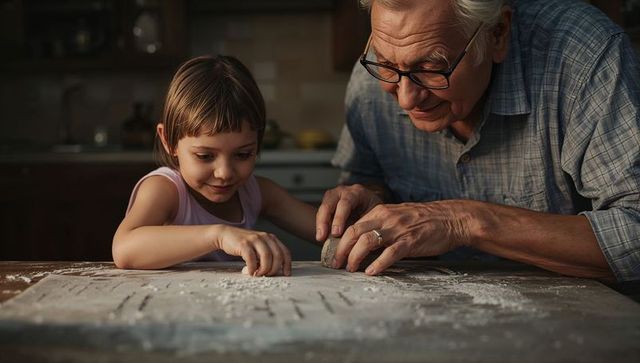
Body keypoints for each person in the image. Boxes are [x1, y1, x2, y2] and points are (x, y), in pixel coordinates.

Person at [316, 0, 640, 282]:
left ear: (498, 33)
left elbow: (635, 232)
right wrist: (371, 201)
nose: (405, 98)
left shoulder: (584, 55)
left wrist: (462, 220)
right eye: (387, 63)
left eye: (430, 68)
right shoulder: (372, 80)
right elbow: (368, 180)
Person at [113, 55, 317, 276]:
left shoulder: (257, 192)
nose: (225, 173)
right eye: (204, 156)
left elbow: (329, 233)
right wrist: (218, 235)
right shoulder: (165, 189)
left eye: (243, 154)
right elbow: (125, 249)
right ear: (169, 142)